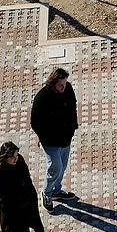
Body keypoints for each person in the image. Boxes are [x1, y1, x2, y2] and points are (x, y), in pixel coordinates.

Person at [31, 67, 78, 203]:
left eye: (65, 83)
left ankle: (57, 190)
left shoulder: (68, 89)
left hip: (65, 138)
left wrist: (72, 128)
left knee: (62, 167)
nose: (64, 87)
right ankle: (47, 193)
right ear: (53, 83)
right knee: (55, 168)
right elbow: (35, 122)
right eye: (60, 85)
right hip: (51, 142)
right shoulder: (42, 98)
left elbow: (72, 108)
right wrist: (44, 138)